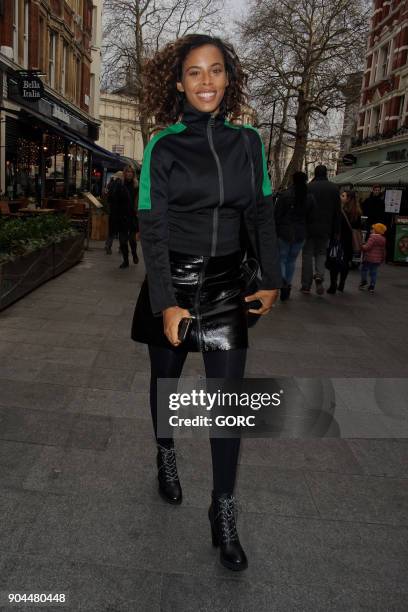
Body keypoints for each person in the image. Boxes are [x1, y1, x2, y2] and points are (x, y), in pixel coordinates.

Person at [131, 34, 281, 571]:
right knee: (165, 383)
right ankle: (165, 453)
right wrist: (167, 302)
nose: (207, 82)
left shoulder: (250, 142)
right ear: (178, 82)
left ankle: (223, 511)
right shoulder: (163, 145)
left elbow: (262, 213)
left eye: (216, 70)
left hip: (226, 286)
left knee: (229, 408)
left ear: (228, 77)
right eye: (194, 72)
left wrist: (270, 279)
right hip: (173, 280)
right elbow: (152, 225)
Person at [274, 171, 315, 301]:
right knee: (291, 260)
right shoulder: (310, 197)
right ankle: (288, 284)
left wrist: (276, 229)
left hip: (284, 232)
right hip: (300, 233)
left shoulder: (285, 195)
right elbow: (312, 217)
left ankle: (283, 282)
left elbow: (277, 214)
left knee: (282, 258)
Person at [301, 165, 341, 295]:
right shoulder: (334, 188)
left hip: (309, 227)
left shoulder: (308, 187)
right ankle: (319, 275)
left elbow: (303, 208)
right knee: (321, 253)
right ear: (326, 173)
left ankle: (306, 285)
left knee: (307, 254)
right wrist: (336, 230)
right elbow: (337, 211)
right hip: (326, 227)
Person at [327, 189, 362, 294]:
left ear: (348, 199)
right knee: (345, 262)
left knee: (334, 262)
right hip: (350, 242)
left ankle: (333, 284)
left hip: (338, 240)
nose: (340, 197)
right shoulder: (357, 212)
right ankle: (342, 283)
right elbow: (358, 228)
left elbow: (334, 225)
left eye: (343, 196)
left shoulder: (340, 211)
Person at [109, 165, 139, 268]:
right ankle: (126, 261)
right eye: (127, 172)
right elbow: (114, 199)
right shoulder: (119, 185)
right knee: (122, 241)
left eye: (131, 172)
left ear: (133, 174)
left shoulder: (136, 186)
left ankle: (134, 253)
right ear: (124, 173)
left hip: (132, 216)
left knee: (132, 239)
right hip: (121, 216)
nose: (129, 174)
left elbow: (138, 201)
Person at [359, 223, 387, 293]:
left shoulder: (372, 238)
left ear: (376, 230)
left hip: (368, 258)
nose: (371, 230)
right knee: (374, 272)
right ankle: (372, 286)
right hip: (377, 260)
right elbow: (383, 250)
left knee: (364, 269)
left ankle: (364, 282)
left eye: (373, 229)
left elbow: (367, 247)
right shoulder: (383, 239)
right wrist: (382, 258)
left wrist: (361, 246)